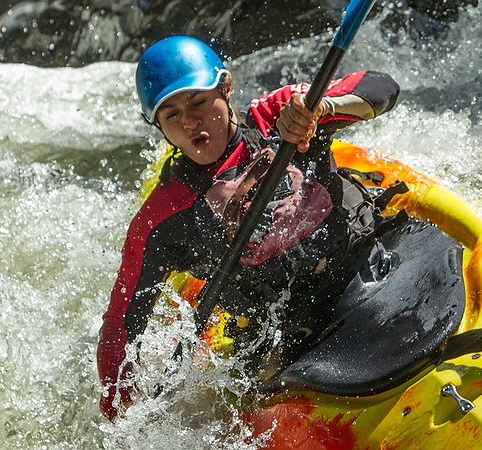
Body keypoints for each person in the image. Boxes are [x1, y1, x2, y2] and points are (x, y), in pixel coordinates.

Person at [96, 35, 400, 420]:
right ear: (157, 126)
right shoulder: (162, 220)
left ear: (225, 87)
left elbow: (383, 87)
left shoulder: (280, 115)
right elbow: (121, 325)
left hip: (364, 268)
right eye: (171, 115)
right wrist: (119, 414)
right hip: (286, 335)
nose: (189, 121)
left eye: (198, 102)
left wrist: (322, 109)